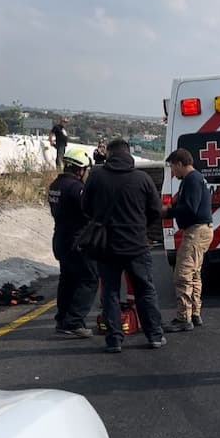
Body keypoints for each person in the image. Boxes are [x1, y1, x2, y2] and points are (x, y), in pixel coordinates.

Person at [82, 138, 165, 353]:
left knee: (109, 292)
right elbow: (156, 210)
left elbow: (86, 207)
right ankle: (154, 335)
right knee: (145, 290)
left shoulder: (96, 177)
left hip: (106, 246)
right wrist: (141, 227)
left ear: (108, 154)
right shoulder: (143, 179)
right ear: (128, 154)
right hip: (136, 245)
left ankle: (114, 340)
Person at [48, 147, 98, 339]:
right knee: (89, 278)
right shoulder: (76, 188)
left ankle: (62, 319)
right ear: (80, 170)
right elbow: (89, 211)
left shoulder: (55, 185)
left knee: (68, 279)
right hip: (77, 240)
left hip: (60, 238)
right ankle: (74, 321)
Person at [161, 148, 213, 333]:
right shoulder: (195, 179)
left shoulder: (192, 180)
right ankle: (195, 313)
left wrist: (169, 211)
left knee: (182, 274)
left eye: (172, 167)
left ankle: (184, 317)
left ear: (179, 164)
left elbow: (190, 208)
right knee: (194, 274)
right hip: (201, 230)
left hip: (196, 231)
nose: (172, 172)